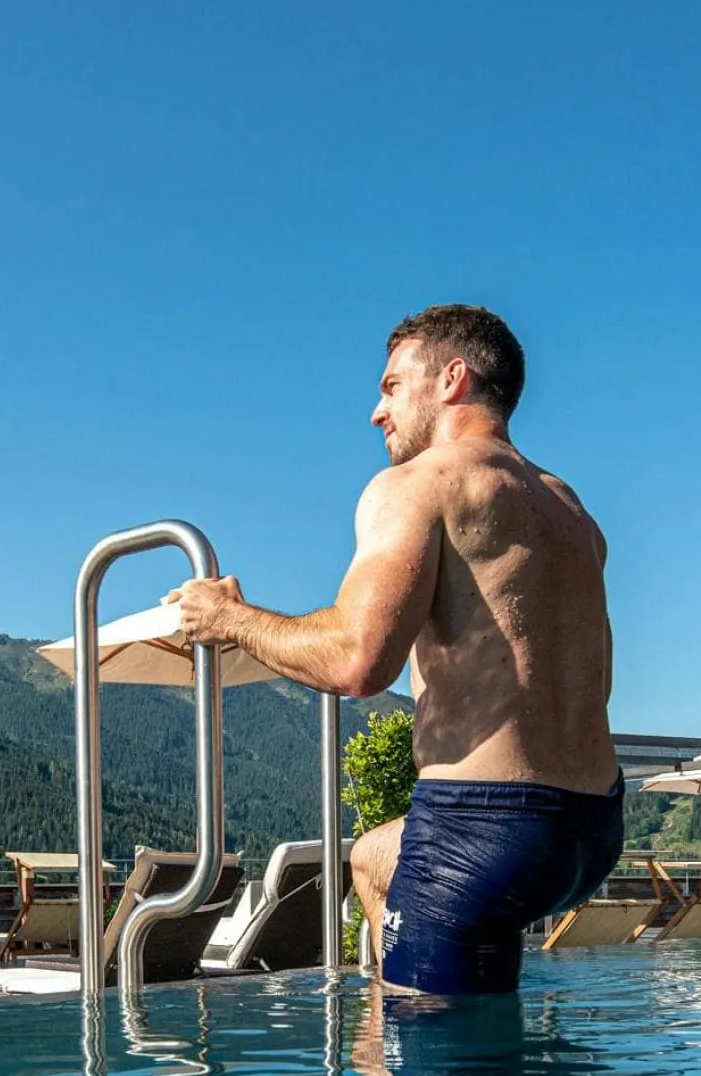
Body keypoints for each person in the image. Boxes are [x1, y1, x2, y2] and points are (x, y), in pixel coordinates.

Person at [171, 303, 623, 994]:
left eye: (389, 387)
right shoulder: (571, 511)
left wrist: (231, 618)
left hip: (481, 829)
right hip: (591, 831)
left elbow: (358, 660)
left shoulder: (419, 485)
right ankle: (389, 1068)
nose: (375, 413)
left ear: (451, 379)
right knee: (374, 858)